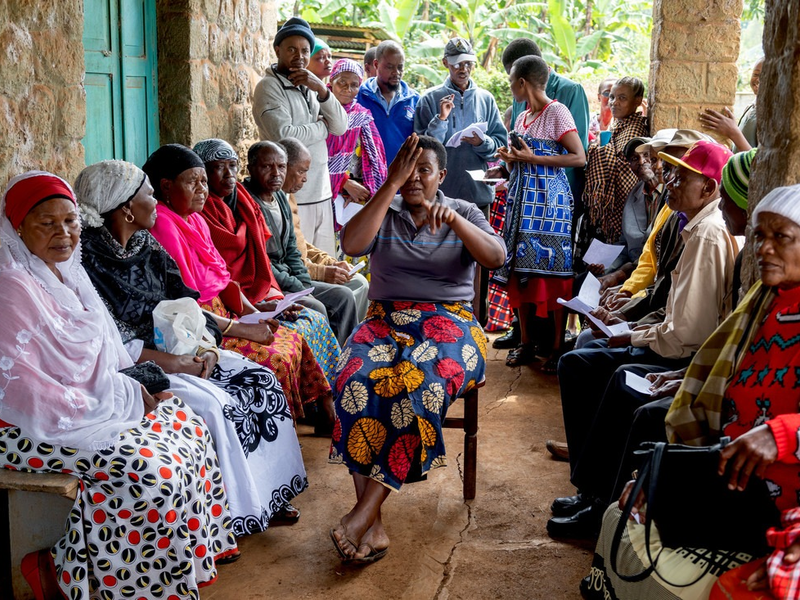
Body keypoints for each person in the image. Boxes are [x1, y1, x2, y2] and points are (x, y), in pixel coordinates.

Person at [0, 171, 238, 600]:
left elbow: (103, 356)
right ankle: (128, 586)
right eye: (46, 223)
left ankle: (71, 567)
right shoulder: (13, 287)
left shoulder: (65, 274)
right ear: (17, 227)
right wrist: (117, 399)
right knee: (149, 473)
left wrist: (127, 391)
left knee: (188, 428)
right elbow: (25, 390)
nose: (64, 233)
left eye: (71, 221)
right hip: (21, 426)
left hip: (81, 406)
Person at [587, 182, 800, 600]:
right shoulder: (763, 304)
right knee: (630, 511)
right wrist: (672, 478)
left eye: (782, 238)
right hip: (740, 486)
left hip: (783, 498)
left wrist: (783, 434)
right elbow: (720, 394)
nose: (764, 249)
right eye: (760, 236)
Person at [76, 159, 308, 534]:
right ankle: (233, 513)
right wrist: (178, 363)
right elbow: (114, 341)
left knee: (259, 379)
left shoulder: (144, 243)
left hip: (183, 348)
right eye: (149, 194)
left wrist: (206, 348)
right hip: (138, 363)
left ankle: (270, 494)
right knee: (217, 407)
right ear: (125, 209)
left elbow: (186, 305)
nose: (155, 202)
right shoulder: (89, 262)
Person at [551, 149, 753, 542]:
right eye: (671, 173)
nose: (668, 182)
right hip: (676, 345)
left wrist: (630, 333)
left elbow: (686, 335)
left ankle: (600, 501)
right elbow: (666, 301)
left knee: (615, 377)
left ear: (709, 188)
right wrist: (628, 319)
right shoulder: (690, 224)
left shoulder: (709, 233)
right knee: (584, 362)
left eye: (680, 177)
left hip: (683, 350)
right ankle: (591, 490)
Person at [329, 134, 506, 564]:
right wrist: (388, 186)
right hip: (384, 319)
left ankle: (364, 513)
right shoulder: (382, 208)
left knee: (420, 387)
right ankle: (372, 527)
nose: (414, 178)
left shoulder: (463, 210)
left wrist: (456, 223)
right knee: (354, 380)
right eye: (407, 169)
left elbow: (496, 257)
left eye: (422, 170)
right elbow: (351, 245)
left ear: (441, 176)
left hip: (451, 324)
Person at [141, 144, 338, 421]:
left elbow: (224, 279)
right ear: (165, 186)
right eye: (192, 182)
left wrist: (256, 314)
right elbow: (185, 303)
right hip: (202, 327)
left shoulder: (195, 219)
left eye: (203, 182)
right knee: (276, 360)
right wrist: (243, 328)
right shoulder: (164, 224)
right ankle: (279, 433)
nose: (202, 189)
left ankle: (320, 412)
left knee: (292, 336)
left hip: (224, 312)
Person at [493, 37, 590, 351]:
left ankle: (557, 345)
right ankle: (525, 342)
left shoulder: (558, 111)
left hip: (550, 206)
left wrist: (532, 158)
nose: (510, 88)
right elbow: (522, 157)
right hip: (522, 202)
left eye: (511, 82)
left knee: (551, 275)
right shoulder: (521, 116)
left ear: (522, 82)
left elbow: (579, 157)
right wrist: (509, 159)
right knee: (520, 272)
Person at [213, 137, 356, 345]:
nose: (276, 173)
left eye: (281, 167)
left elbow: (292, 249)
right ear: (251, 168)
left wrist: (304, 284)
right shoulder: (245, 203)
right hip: (267, 281)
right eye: (267, 167)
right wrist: (300, 289)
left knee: (344, 297)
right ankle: (317, 369)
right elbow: (262, 262)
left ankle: (343, 360)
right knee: (316, 308)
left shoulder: (281, 197)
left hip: (290, 279)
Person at [414, 37, 507, 325]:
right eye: (457, 65)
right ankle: (438, 322)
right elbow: (421, 148)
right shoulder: (430, 98)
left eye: (468, 63)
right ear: (445, 64)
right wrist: (441, 120)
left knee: (479, 259)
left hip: (478, 192)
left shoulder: (486, 99)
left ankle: (475, 323)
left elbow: (500, 144)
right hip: (440, 195)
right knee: (438, 257)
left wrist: (483, 143)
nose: (463, 70)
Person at [252, 17, 347, 256]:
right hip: (293, 195)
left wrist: (322, 89)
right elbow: (285, 136)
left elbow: (341, 126)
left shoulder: (309, 85)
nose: (299, 56)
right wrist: (321, 128)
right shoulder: (268, 87)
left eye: (305, 50)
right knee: (303, 265)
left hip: (321, 192)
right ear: (277, 50)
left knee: (326, 262)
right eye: (291, 49)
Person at [280, 137, 371, 322]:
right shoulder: (272, 204)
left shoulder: (288, 196)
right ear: (283, 168)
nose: (305, 178)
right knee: (343, 297)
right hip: (294, 278)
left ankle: (351, 337)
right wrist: (322, 272)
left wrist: (330, 262)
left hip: (303, 270)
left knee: (360, 282)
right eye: (301, 171)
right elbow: (283, 262)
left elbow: (299, 243)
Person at [579, 77, 649, 264]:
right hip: (605, 213)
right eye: (612, 97)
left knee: (605, 268)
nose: (614, 103)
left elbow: (627, 174)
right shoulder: (618, 126)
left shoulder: (635, 131)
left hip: (616, 215)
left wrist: (598, 150)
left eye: (622, 98)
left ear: (637, 101)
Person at [325, 58, 388, 218]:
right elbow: (312, 159)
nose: (348, 89)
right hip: (323, 195)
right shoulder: (319, 111)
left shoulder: (362, 116)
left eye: (354, 85)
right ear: (331, 80)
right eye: (342, 82)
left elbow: (376, 161)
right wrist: (343, 182)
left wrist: (366, 191)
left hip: (356, 200)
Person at [357, 40, 420, 163]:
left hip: (401, 177)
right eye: (389, 67)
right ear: (376, 64)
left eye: (400, 67)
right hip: (364, 177)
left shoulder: (415, 100)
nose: (396, 72)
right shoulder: (359, 97)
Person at [699, 57, 763, 152]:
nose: (758, 80)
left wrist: (733, 133)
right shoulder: (750, 107)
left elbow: (760, 161)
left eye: (765, 75)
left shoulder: (770, 115)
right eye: (756, 74)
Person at [588, 78, 616, 143]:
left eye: (616, 95)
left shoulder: (621, 126)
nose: (611, 98)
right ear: (599, 97)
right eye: (607, 94)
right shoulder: (587, 120)